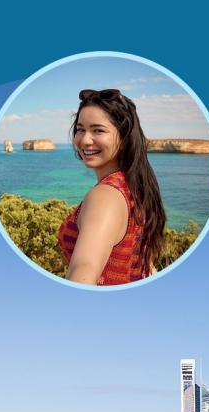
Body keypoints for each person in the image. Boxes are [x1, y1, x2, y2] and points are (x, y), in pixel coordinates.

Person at [58, 89, 166, 285]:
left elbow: (84, 271)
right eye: (80, 129)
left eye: (98, 130)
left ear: (124, 138)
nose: (84, 140)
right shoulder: (136, 186)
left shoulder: (105, 196)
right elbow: (145, 264)